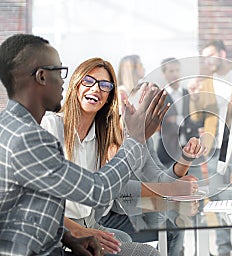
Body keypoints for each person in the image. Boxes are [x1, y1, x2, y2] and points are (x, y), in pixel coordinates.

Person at [0, 33, 167, 255]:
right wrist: (136, 139)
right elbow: (97, 191)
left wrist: (71, 236)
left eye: (104, 85)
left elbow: (39, 204)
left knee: (126, 238)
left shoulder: (13, 124)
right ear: (41, 77)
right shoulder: (37, 134)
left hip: (67, 231)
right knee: (147, 251)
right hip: (42, 243)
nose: (63, 81)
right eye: (59, 72)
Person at [99, 80, 205, 256]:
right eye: (148, 101)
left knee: (173, 227)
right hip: (109, 215)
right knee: (169, 226)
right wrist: (173, 192)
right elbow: (118, 192)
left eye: (158, 104)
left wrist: (186, 158)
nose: (154, 110)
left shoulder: (145, 138)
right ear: (128, 105)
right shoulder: (109, 134)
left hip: (133, 209)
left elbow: (157, 178)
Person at [188, 39, 232, 256]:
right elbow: (196, 116)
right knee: (219, 199)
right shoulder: (205, 83)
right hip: (214, 149)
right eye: (205, 57)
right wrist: (194, 97)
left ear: (223, 53)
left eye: (211, 55)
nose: (208, 60)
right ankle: (223, 250)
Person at [157, 57, 203, 179]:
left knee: (197, 186)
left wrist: (175, 119)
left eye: (177, 70)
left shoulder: (188, 93)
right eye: (171, 71)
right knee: (171, 188)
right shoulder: (160, 96)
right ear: (164, 73)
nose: (175, 74)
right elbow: (162, 123)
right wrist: (180, 119)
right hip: (168, 152)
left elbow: (195, 119)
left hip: (190, 149)